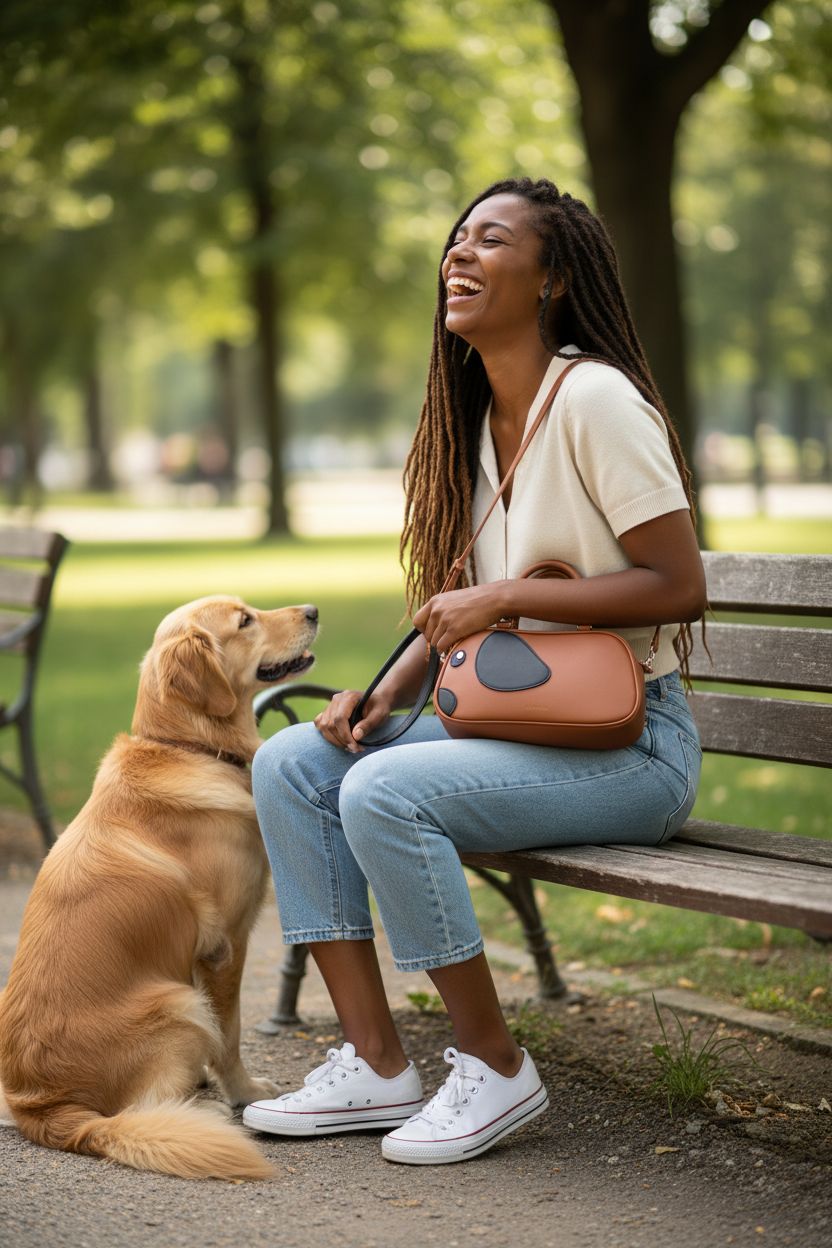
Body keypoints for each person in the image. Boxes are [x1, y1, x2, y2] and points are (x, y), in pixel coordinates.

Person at [243, 177, 706, 1166]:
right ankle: (374, 1063)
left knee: (383, 793)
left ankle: (493, 1068)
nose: (458, 254)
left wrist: (500, 604)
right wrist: (384, 696)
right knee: (291, 767)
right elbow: (455, 601)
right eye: (454, 239)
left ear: (553, 277)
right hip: (514, 728)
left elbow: (678, 584)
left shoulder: (594, 399)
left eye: (490, 241)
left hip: (633, 744)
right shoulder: (472, 418)